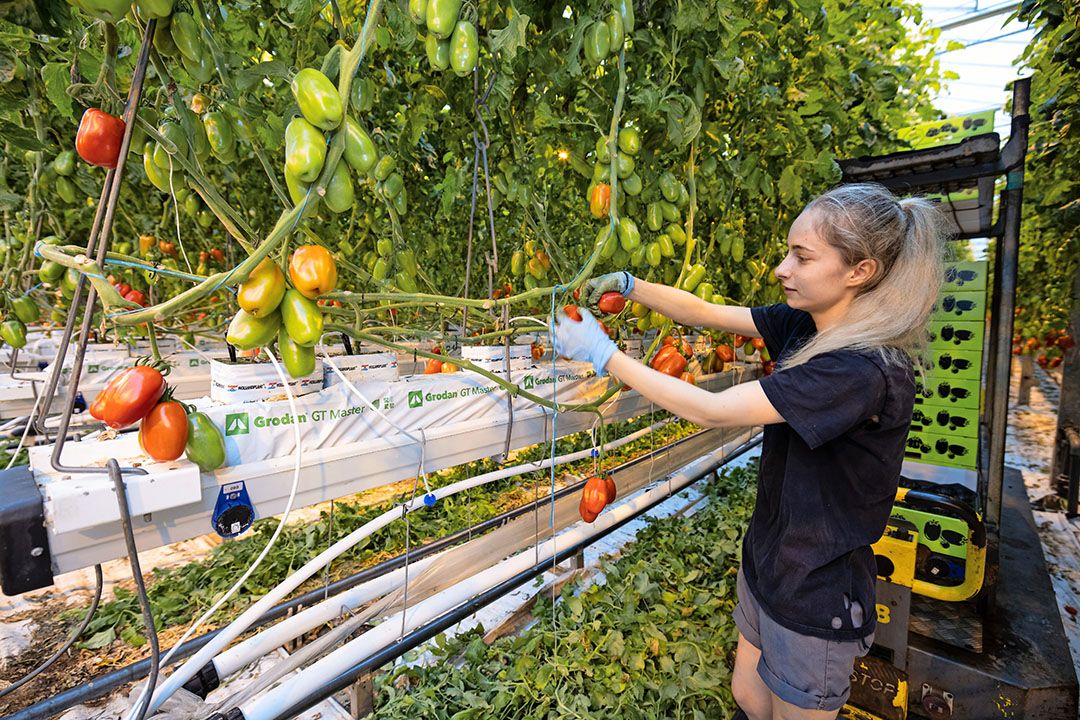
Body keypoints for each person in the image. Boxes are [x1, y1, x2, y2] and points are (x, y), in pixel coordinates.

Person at [552, 183, 946, 720]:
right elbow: (707, 313)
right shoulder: (808, 324)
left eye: (802, 257)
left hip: (816, 591)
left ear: (861, 271)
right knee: (747, 697)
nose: (783, 268)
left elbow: (710, 410)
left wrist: (605, 355)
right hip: (771, 563)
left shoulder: (859, 370)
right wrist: (630, 284)